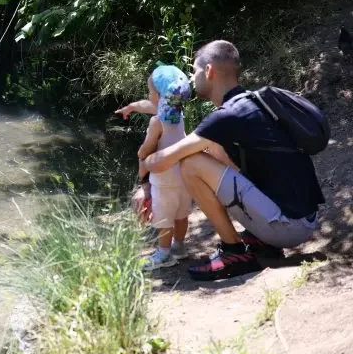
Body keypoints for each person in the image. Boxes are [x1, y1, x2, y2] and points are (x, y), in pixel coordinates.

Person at [135, 40, 324, 281]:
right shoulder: (251, 102)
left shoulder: (225, 117)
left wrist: (145, 169)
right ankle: (259, 238)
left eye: (194, 71)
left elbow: (163, 161)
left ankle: (234, 251)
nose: (192, 79)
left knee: (191, 164)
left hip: (289, 226)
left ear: (209, 71)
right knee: (211, 150)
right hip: (304, 218)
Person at [127, 64, 193, 270]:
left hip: (164, 178)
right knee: (181, 214)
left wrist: (141, 154)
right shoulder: (178, 115)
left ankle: (164, 254)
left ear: (160, 96)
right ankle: (179, 247)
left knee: (163, 218)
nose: (149, 96)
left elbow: (147, 148)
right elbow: (149, 106)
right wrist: (131, 107)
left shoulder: (157, 122)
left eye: (151, 92)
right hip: (183, 175)